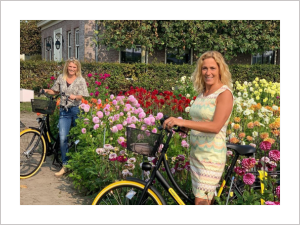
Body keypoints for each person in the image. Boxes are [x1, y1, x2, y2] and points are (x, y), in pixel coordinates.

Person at [163, 51, 234, 205]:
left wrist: (183, 122)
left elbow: (215, 127)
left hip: (210, 157)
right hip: (197, 154)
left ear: (220, 70)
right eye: (204, 68)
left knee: (201, 204)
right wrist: (182, 127)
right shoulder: (203, 93)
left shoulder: (224, 94)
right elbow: (200, 121)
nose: (208, 73)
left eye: (212, 68)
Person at [42, 57, 89, 177]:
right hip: (64, 111)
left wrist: (75, 96)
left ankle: (80, 165)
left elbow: (82, 95)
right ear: (67, 67)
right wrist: (47, 91)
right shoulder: (61, 78)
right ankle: (65, 165)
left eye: (74, 67)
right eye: (70, 66)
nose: (72, 69)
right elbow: (55, 91)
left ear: (77, 68)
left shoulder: (80, 80)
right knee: (63, 138)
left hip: (76, 110)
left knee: (79, 138)